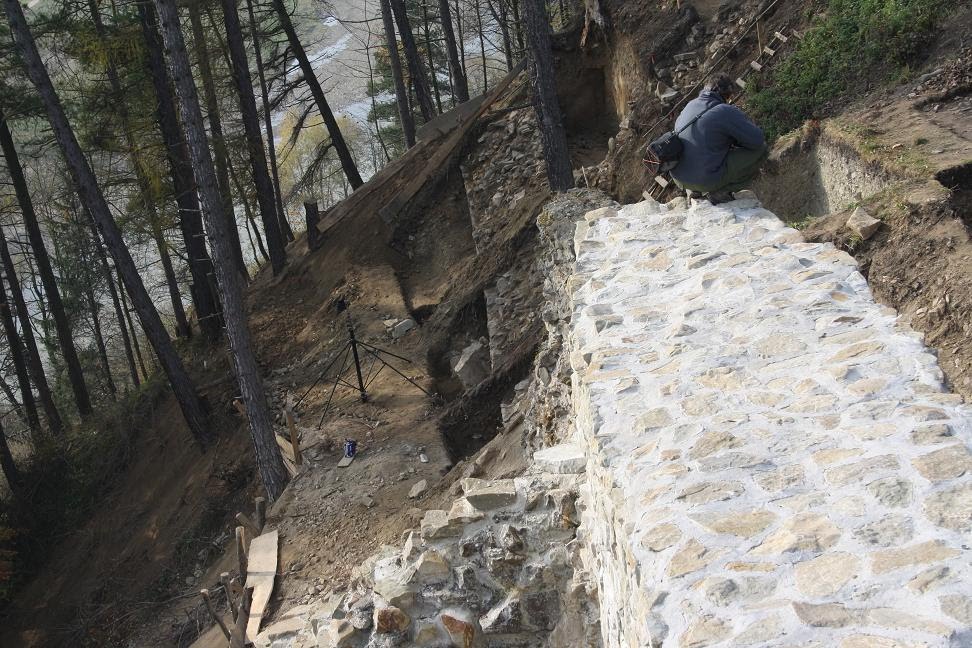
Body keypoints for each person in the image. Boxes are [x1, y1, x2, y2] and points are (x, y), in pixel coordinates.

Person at [670, 74, 768, 204]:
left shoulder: (689, 105)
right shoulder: (723, 110)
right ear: (727, 95)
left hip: (679, 179)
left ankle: (696, 191)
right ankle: (720, 191)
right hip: (703, 179)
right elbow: (757, 140)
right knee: (762, 150)